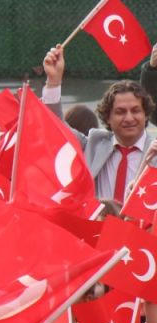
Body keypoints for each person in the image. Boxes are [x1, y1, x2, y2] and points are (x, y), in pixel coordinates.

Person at [42, 43, 157, 203]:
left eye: (136, 110)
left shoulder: (155, 153)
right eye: (120, 112)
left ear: (146, 115)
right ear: (107, 117)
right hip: (96, 226)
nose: (129, 118)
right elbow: (55, 127)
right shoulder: (93, 144)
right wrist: (53, 81)